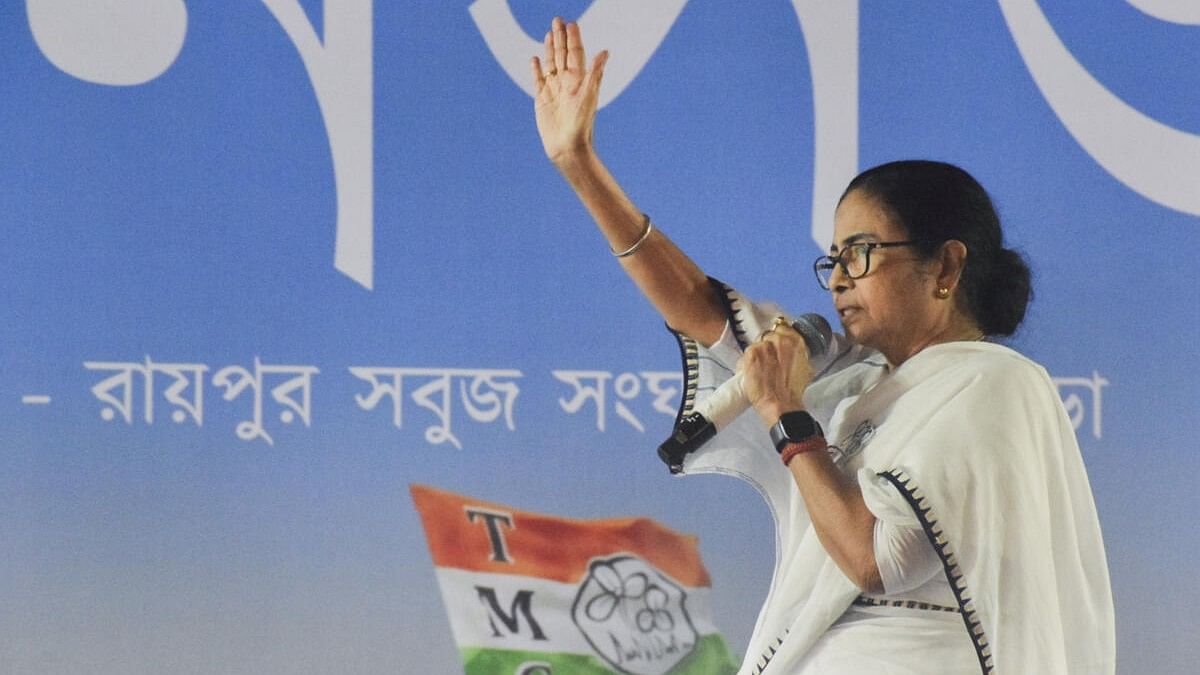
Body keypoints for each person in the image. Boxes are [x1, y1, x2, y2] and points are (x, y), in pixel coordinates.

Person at [531, 17, 1115, 675]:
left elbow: (878, 558)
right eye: (832, 258)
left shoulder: (993, 385)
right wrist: (579, 166)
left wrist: (787, 417)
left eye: (861, 253)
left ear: (946, 268)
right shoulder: (850, 379)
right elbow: (701, 305)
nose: (837, 278)